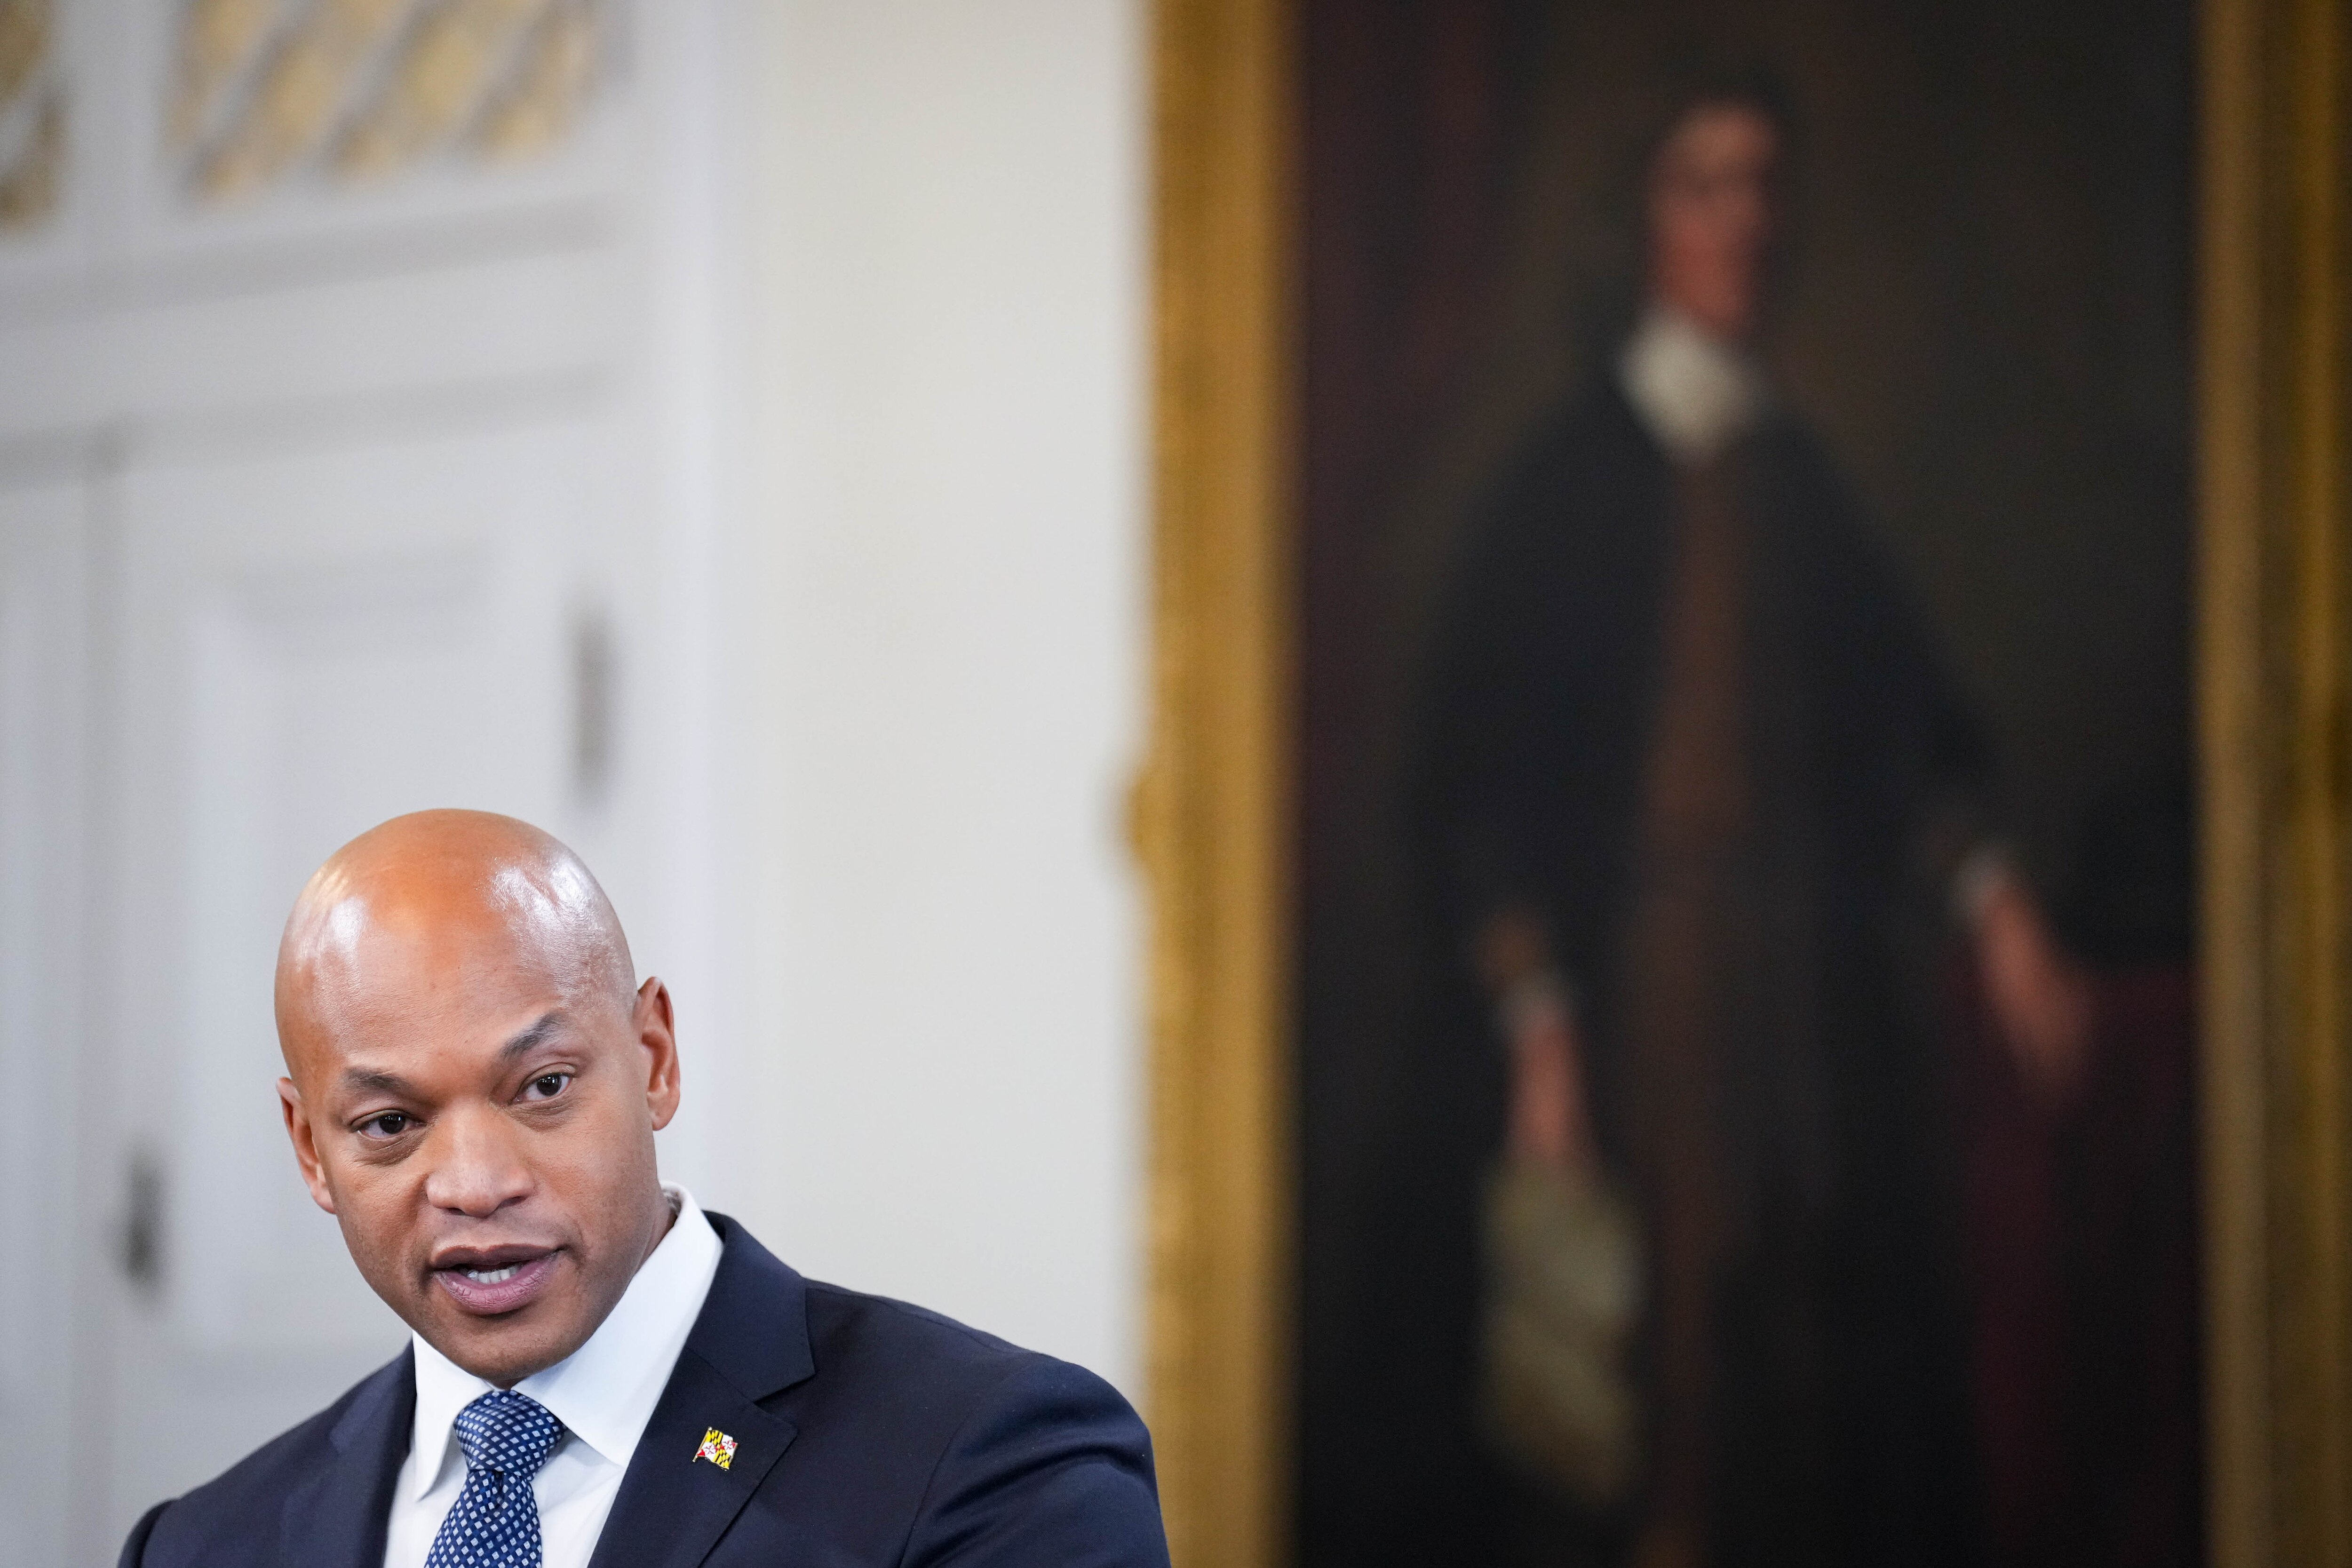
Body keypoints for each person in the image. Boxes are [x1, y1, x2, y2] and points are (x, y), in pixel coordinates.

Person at [1402, 71, 2093, 1567]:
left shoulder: (1799, 479)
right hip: (1640, 979)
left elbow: (1908, 732)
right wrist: (1536, 1013)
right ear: (1640, 224)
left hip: (1806, 990)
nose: (1745, 224)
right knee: (1658, 1361)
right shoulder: (1568, 482)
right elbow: (1472, 783)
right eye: (1704, 186)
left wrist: (2000, 901)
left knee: (1815, 1350)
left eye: (1763, 185)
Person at [117, 809, 1170, 1568]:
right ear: (309, 1147)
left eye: (543, 1087)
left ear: (655, 1057)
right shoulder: (206, 1542)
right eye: (390, 1123)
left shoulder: (991, 1461)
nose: (477, 1185)